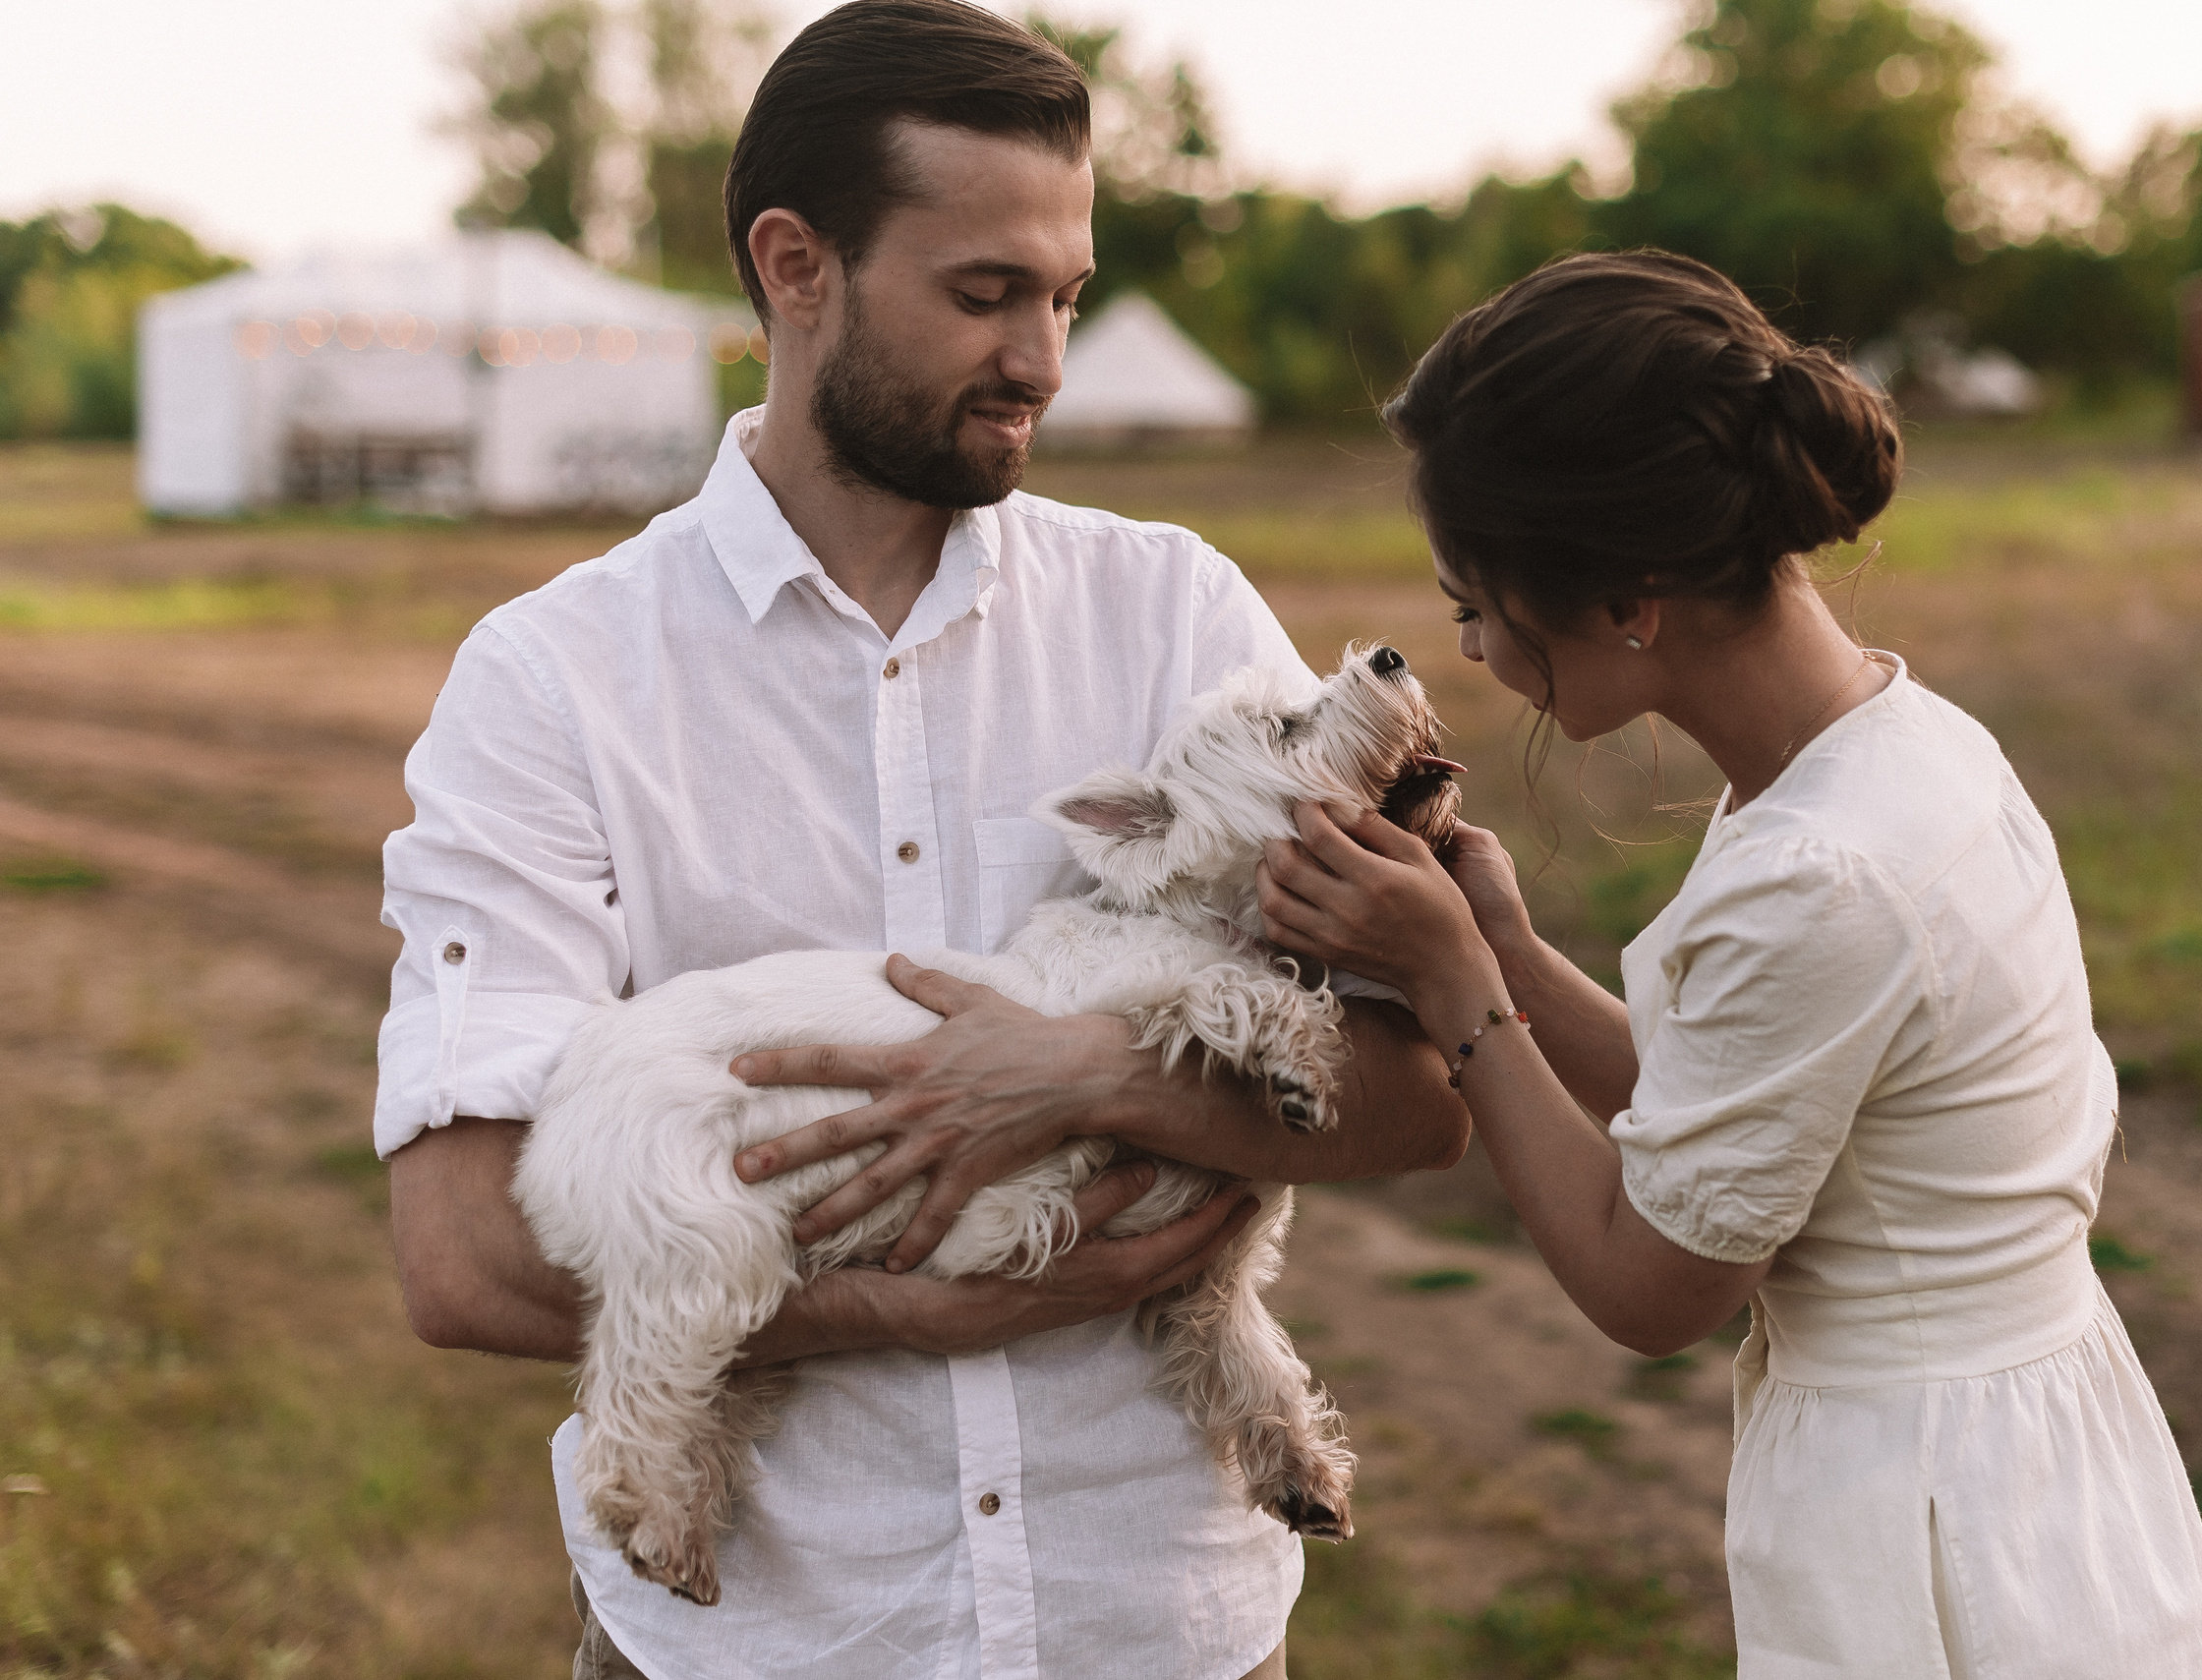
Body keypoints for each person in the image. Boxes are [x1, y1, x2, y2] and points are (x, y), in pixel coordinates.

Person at [377, 5, 1465, 1676]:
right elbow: (461, 1256)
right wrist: (914, 1308)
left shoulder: (1175, 614)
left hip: (1159, 1628)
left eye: (1065, 297)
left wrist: (1089, 1076)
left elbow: (1406, 1095)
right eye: (984, 294)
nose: (1042, 355)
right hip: (770, 1637)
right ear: (795, 266)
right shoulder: (555, 681)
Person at [1248, 251, 2202, 1679]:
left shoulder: (1818, 871)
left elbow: (1650, 1283)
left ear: (1624, 598)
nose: (1467, 646)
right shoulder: (1892, 747)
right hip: (2035, 1440)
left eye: (1476, 602)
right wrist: (1511, 947)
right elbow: (1741, 1105)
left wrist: (1460, 990)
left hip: (1928, 1502)